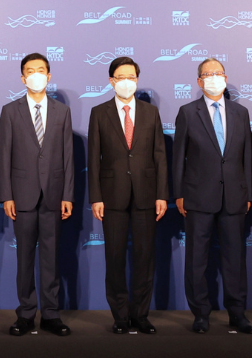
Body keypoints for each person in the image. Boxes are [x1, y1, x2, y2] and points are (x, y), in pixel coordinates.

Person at [171, 58, 252, 335]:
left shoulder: (240, 112)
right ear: (199, 82)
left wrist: (248, 192)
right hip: (197, 195)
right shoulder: (187, 112)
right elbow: (179, 157)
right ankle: (200, 314)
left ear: (226, 77)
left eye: (218, 73)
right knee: (197, 258)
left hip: (234, 195)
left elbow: (247, 157)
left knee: (235, 258)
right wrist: (179, 193)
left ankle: (237, 313)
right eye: (207, 74)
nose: (213, 78)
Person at [88, 57, 167, 335]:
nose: (126, 81)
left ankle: (141, 315)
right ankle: (120, 316)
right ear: (111, 81)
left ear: (137, 79)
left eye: (131, 77)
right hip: (112, 196)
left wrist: (162, 194)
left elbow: (159, 154)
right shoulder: (99, 112)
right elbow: (94, 159)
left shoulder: (150, 112)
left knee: (145, 259)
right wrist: (96, 197)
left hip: (147, 195)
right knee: (115, 258)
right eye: (120, 77)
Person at [0, 52, 74, 337]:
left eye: (41, 70)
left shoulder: (61, 111)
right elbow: (4, 155)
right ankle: (26, 313)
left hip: (54, 196)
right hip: (23, 196)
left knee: (51, 258)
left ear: (49, 75)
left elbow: (68, 156)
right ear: (22, 78)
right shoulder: (10, 111)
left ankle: (51, 314)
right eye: (30, 71)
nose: (36, 74)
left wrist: (68, 194)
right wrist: (6, 195)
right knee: (25, 258)